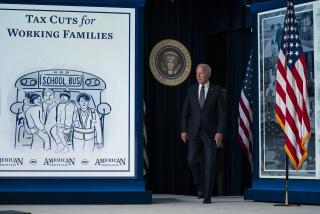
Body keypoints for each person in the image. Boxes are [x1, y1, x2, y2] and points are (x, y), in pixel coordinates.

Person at [181, 64, 226, 204]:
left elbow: (222, 115)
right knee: (191, 160)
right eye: (197, 73)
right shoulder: (191, 89)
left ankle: (207, 195)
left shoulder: (217, 90)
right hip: (194, 131)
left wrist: (220, 131)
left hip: (211, 133)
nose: (198, 76)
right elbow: (185, 113)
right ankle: (200, 184)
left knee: (210, 163)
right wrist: (183, 130)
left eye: (201, 73)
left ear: (208, 74)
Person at [55, 89, 77, 153]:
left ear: (68, 97)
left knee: (68, 137)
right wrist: (58, 123)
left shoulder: (73, 105)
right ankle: (65, 147)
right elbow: (58, 115)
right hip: (61, 124)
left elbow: (75, 114)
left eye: (65, 96)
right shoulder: (59, 105)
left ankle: (70, 149)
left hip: (69, 125)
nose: (63, 98)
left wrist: (74, 122)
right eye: (61, 96)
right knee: (60, 134)